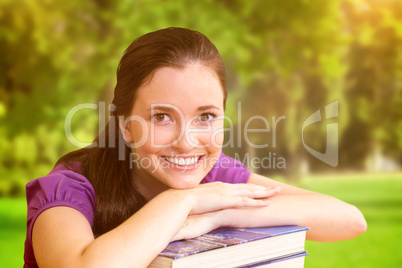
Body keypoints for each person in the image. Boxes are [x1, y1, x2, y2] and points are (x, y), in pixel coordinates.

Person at [24, 27, 367, 268]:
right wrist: (182, 202)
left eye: (205, 117)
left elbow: (349, 220)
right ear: (125, 127)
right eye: (161, 117)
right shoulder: (68, 189)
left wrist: (219, 213)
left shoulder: (216, 178)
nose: (186, 142)